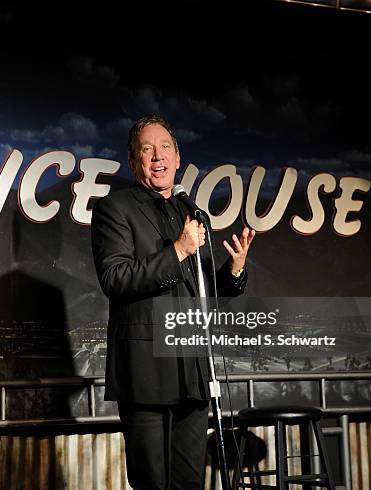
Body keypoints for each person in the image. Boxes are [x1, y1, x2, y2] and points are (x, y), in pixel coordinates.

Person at [91, 114, 255, 489]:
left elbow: (202, 291)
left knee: (189, 481)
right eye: (146, 150)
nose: (157, 156)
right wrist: (179, 250)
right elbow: (115, 279)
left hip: (192, 369)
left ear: (178, 158)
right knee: (153, 482)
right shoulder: (114, 209)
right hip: (145, 371)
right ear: (133, 163)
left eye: (165, 147)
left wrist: (234, 270)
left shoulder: (191, 212)